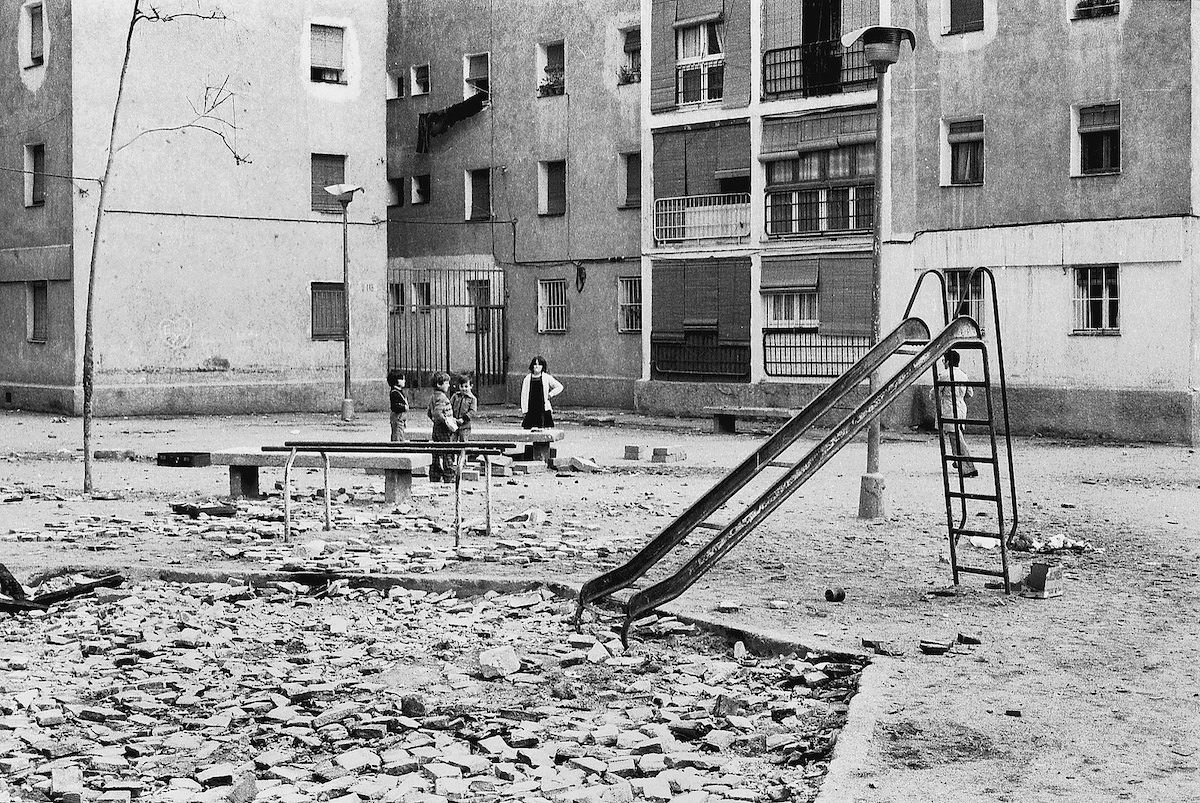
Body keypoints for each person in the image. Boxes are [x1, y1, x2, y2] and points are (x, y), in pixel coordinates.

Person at [939, 350, 978, 478]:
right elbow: (970, 393)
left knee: (956, 438)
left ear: (948, 361)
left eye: (944, 360)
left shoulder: (945, 375)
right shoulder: (963, 375)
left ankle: (968, 467)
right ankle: (958, 461)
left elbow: (936, 392)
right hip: (961, 408)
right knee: (955, 436)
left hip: (950, 408)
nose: (943, 363)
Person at [426, 371, 456, 483]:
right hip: (444, 429)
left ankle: (435, 475)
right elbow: (437, 414)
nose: (448, 385)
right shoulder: (442, 397)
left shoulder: (434, 396)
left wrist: (435, 421)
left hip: (436, 428)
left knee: (436, 451)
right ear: (439, 384)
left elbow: (429, 413)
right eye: (446, 383)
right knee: (447, 451)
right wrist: (447, 422)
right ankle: (449, 475)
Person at [520, 355, 563, 430]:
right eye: (535, 364)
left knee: (544, 430)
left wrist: (551, 394)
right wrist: (524, 409)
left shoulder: (546, 377)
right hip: (531, 408)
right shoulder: (527, 379)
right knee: (530, 430)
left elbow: (559, 386)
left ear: (543, 366)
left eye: (539, 364)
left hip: (543, 409)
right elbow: (524, 395)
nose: (537, 367)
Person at [451, 373, 477, 442]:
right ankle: (453, 452)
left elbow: (472, 411)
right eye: (461, 386)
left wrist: (463, 419)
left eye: (466, 386)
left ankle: (462, 453)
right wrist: (451, 417)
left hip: (465, 425)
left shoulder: (472, 399)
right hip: (454, 423)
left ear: (471, 386)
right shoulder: (455, 396)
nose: (463, 389)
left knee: (463, 441)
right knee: (452, 440)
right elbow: (450, 406)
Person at [387, 369, 409, 442]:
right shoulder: (394, 392)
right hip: (398, 418)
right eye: (402, 379)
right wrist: (404, 407)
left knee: (400, 434)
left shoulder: (399, 391)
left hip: (401, 419)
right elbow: (394, 406)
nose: (404, 381)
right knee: (397, 435)